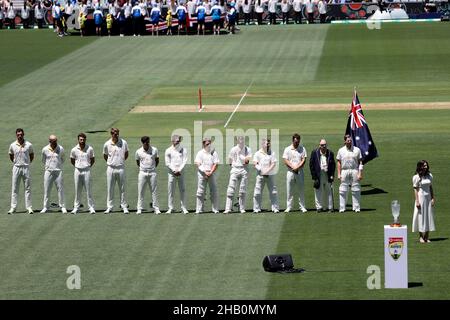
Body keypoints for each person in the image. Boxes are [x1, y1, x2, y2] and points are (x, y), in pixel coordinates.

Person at [8, 128, 34, 214]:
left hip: (26, 167)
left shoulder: (29, 144)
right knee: (15, 188)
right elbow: (11, 155)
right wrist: (16, 162)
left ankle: (29, 207)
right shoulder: (12, 145)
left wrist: (26, 163)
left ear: (23, 135)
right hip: (16, 167)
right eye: (18, 135)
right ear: (16, 135)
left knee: (27, 188)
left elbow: (31, 155)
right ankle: (13, 207)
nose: (20, 136)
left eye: (21, 134)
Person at [103, 128, 129, 214]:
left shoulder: (123, 142)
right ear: (111, 134)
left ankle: (124, 206)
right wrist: (111, 162)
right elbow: (105, 155)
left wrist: (120, 161)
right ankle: (109, 207)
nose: (116, 135)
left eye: (117, 133)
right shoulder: (107, 144)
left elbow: (126, 154)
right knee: (110, 188)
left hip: (120, 167)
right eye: (114, 133)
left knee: (122, 188)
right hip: (111, 168)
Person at [224, 136, 252, 214]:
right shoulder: (233, 149)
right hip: (235, 169)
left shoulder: (248, 149)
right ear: (237, 140)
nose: (241, 141)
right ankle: (228, 208)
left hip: (244, 169)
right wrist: (234, 166)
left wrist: (241, 156)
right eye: (239, 139)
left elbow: (247, 161)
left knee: (242, 190)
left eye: (242, 139)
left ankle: (242, 208)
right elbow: (230, 160)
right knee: (230, 190)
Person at [336, 134, 363, 213]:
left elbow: (360, 162)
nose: (349, 142)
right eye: (348, 140)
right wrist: (338, 173)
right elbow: (338, 162)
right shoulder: (341, 150)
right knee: (342, 190)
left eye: (350, 140)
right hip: (344, 171)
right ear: (345, 141)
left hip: (354, 170)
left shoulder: (357, 150)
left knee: (356, 189)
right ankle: (342, 208)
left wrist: (360, 173)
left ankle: (356, 208)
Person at [40, 135, 67, 213]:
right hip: (48, 171)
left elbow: (63, 159)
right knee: (47, 189)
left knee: (60, 189)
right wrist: (49, 166)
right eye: (53, 141)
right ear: (50, 141)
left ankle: (62, 206)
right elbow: (43, 160)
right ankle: (46, 207)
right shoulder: (45, 149)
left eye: (56, 141)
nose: (55, 142)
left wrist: (58, 166)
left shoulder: (60, 148)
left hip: (58, 171)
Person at [70, 133, 96, 214]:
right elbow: (72, 160)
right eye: (81, 139)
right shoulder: (74, 149)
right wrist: (78, 166)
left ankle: (91, 207)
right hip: (77, 171)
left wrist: (87, 166)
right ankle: (76, 207)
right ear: (78, 140)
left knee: (88, 190)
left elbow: (92, 159)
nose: (82, 141)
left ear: (85, 139)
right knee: (77, 190)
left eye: (83, 139)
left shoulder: (90, 149)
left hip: (87, 170)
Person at [282, 133, 307, 213]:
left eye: (298, 142)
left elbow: (303, 160)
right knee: (289, 190)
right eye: (295, 142)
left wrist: (297, 167)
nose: (297, 143)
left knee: (301, 189)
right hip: (290, 172)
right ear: (292, 141)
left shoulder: (302, 148)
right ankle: (289, 207)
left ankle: (302, 207)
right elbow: (285, 160)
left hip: (299, 171)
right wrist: (293, 167)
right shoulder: (287, 149)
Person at [135, 136, 160, 215]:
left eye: (148, 142)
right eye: (146, 142)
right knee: (141, 191)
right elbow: (138, 162)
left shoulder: (154, 150)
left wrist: (152, 168)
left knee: (154, 191)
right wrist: (144, 168)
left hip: (152, 172)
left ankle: (156, 208)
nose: (148, 144)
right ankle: (139, 208)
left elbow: (157, 160)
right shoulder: (138, 151)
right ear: (143, 143)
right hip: (142, 173)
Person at [253, 138, 279, 213]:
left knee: (273, 192)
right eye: (267, 143)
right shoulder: (258, 153)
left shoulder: (272, 153)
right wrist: (261, 170)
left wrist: (267, 171)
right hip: (260, 175)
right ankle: (256, 208)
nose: (268, 145)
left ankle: (275, 208)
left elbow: (273, 164)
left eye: (269, 143)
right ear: (262, 144)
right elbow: (255, 163)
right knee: (257, 192)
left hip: (270, 175)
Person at [412, 160, 436, 243]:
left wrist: (433, 198)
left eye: (426, 165)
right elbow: (415, 190)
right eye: (424, 165)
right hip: (421, 198)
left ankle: (427, 236)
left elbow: (430, 187)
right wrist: (417, 201)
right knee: (420, 216)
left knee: (429, 216)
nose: (425, 167)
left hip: (428, 198)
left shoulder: (429, 175)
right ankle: (421, 237)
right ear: (420, 166)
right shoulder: (416, 177)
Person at [309, 139, 336, 212]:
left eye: (324, 145)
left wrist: (332, 175)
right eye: (322, 145)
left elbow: (333, 165)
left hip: (327, 174)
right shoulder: (315, 152)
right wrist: (314, 177)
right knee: (318, 191)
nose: (323, 146)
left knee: (329, 191)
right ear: (319, 145)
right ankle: (319, 207)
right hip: (319, 175)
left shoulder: (330, 153)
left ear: (326, 145)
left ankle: (330, 207)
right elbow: (311, 165)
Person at [195, 137, 220, 214]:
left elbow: (216, 163)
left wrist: (210, 172)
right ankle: (199, 209)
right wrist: (205, 172)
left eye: (209, 143)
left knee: (214, 191)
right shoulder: (200, 153)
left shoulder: (213, 152)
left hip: (211, 174)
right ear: (203, 144)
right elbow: (198, 163)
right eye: (207, 144)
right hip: (202, 174)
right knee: (200, 192)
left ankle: (215, 209)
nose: (209, 145)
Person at [165, 135, 188, 214]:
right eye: (177, 141)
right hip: (171, 173)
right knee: (171, 190)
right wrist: (174, 170)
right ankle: (170, 208)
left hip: (181, 172)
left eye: (179, 140)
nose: (178, 142)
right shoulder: (168, 150)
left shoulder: (183, 149)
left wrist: (179, 170)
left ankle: (184, 208)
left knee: (182, 190)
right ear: (172, 141)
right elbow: (167, 163)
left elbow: (184, 161)